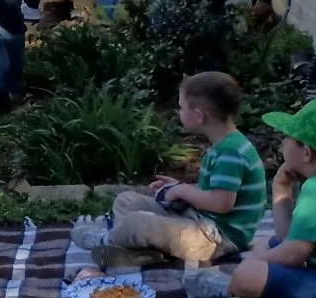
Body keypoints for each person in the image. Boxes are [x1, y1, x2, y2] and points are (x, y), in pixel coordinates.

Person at [192, 99, 316, 298]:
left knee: (248, 274)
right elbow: (288, 239)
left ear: (306, 153)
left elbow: (295, 253)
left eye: (287, 137)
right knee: (270, 244)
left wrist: (247, 267)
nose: (283, 142)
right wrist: (281, 188)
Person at [97, 72, 266, 269]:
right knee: (126, 200)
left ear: (198, 115)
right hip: (197, 222)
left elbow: (222, 203)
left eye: (181, 107)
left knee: (139, 222)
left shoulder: (230, 152)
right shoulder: (225, 145)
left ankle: (104, 240)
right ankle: (139, 249)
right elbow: (212, 191)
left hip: (216, 240)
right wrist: (179, 187)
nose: (178, 112)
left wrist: (181, 191)